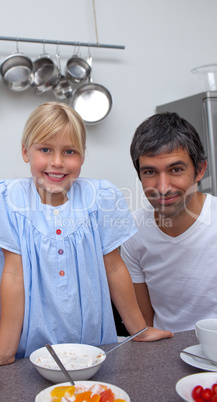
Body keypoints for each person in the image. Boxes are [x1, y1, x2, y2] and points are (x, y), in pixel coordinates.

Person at [0, 103, 173, 365]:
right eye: (45, 149)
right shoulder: (9, 200)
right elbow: (13, 274)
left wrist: (139, 330)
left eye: (69, 151)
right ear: (26, 151)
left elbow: (114, 268)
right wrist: (5, 351)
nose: (57, 162)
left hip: (93, 344)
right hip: (27, 349)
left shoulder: (101, 197)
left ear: (82, 156)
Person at [121, 111, 217, 333]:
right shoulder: (132, 231)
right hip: (165, 352)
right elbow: (144, 327)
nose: (163, 187)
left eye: (176, 169)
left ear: (199, 170)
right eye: (150, 172)